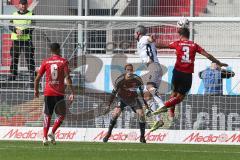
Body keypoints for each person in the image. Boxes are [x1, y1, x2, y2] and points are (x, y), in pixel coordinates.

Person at [153, 27, 228, 118]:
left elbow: (162, 46)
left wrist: (152, 42)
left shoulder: (177, 43)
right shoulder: (194, 45)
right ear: (188, 35)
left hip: (177, 72)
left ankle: (171, 113)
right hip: (187, 74)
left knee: (174, 92)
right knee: (180, 97)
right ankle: (165, 106)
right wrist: (219, 63)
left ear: (180, 35)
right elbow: (208, 55)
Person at [34, 43, 74, 146]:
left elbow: (37, 78)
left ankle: (44, 137)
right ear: (59, 50)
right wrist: (72, 92)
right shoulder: (63, 61)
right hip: (59, 93)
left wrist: (36, 90)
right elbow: (68, 77)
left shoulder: (46, 62)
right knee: (62, 115)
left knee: (47, 115)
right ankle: (52, 132)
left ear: (50, 51)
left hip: (48, 92)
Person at [103, 64, 148, 143]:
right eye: (128, 70)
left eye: (131, 70)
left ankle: (142, 137)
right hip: (122, 99)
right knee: (115, 114)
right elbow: (113, 93)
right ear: (125, 70)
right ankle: (108, 133)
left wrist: (146, 104)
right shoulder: (119, 80)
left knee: (141, 115)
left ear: (133, 70)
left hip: (133, 99)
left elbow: (141, 92)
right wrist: (108, 105)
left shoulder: (138, 79)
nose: (129, 71)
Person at [134, 25, 165, 131]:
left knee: (149, 86)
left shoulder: (143, 38)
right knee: (147, 96)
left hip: (154, 66)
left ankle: (161, 105)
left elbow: (149, 39)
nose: (134, 34)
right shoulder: (140, 42)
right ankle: (158, 120)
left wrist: (151, 37)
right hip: (154, 68)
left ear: (138, 33)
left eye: (135, 32)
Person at [8, 0, 35, 81]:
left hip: (27, 40)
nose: (23, 6)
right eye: (21, 4)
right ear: (19, 5)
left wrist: (23, 31)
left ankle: (32, 74)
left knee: (29, 57)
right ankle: (13, 74)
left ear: (27, 5)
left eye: (24, 4)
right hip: (16, 40)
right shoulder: (14, 14)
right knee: (14, 58)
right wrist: (16, 30)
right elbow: (10, 26)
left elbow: (32, 27)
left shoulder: (31, 14)